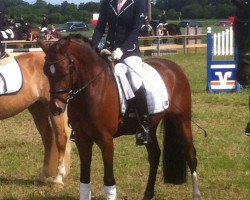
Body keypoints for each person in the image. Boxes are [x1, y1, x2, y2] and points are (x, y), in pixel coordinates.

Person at [92, 0, 151, 145]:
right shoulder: (108, 3)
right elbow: (99, 28)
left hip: (129, 52)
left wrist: (122, 49)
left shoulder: (138, 3)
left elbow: (136, 29)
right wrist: (93, 48)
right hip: (109, 50)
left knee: (134, 81)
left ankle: (144, 124)